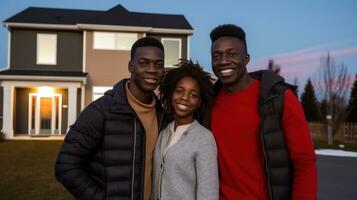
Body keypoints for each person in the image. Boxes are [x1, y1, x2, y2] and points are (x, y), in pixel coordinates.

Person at [209, 24, 317, 200]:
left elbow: (304, 163)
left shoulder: (279, 98)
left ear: (246, 58)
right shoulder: (208, 103)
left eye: (232, 54)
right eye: (217, 56)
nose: (223, 61)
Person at [55, 37, 167, 200]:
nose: (152, 69)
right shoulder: (101, 111)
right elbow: (66, 167)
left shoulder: (163, 115)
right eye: (144, 63)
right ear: (131, 66)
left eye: (159, 64)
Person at [151, 60, 219, 200]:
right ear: (171, 93)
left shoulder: (204, 138)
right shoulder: (163, 133)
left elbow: (208, 193)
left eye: (193, 95)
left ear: (200, 101)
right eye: (179, 91)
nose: (184, 98)